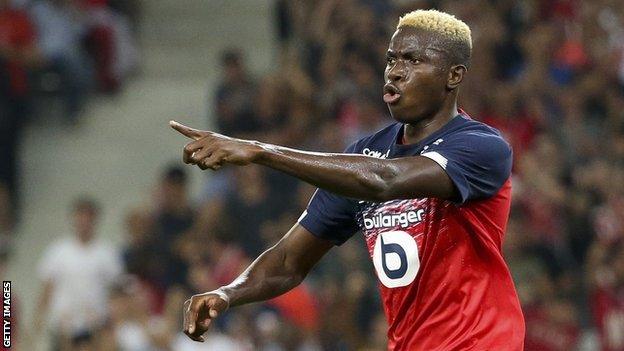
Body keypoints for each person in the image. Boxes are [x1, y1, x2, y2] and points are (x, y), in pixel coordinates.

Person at [171, 9, 525, 350]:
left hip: (481, 343)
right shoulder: (366, 153)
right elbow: (288, 263)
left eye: (414, 61)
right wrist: (227, 293)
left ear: (454, 75)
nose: (396, 72)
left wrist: (260, 151)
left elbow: (383, 180)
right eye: (392, 59)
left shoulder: (482, 147)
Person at [37, 196, 123, 350]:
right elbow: (46, 290)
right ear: (74, 219)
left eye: (88, 217)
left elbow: (116, 292)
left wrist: (114, 325)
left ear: (95, 220)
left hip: (95, 324)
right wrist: (37, 322)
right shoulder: (57, 251)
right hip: (63, 325)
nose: (84, 222)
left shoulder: (106, 252)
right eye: (80, 216)